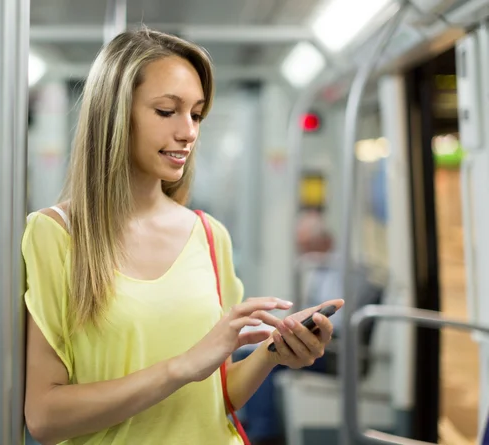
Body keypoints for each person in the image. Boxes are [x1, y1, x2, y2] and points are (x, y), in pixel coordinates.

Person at [22, 27, 343, 445]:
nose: (188, 131)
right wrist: (180, 366)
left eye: (196, 113)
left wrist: (272, 354)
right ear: (115, 114)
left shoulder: (210, 236)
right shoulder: (54, 235)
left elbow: (218, 394)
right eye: (166, 111)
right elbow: (45, 417)